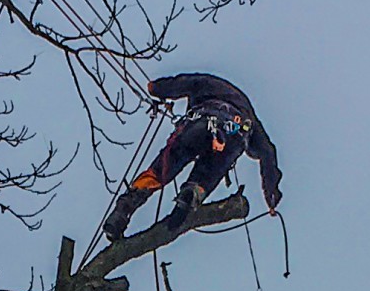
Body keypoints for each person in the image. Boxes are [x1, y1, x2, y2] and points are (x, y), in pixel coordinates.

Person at [104, 72, 283, 240]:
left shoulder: (208, 83)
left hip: (202, 122)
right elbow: (267, 152)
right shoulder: (248, 114)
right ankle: (192, 192)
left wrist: (156, 88)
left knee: (162, 169)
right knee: (207, 174)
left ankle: (125, 206)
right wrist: (271, 194)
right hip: (234, 136)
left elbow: (185, 83)